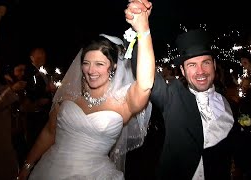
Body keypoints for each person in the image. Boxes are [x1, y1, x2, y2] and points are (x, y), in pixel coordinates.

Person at [17, 4, 154, 180]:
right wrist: (27, 167)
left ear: (112, 66)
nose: (91, 70)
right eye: (86, 63)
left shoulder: (123, 102)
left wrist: (143, 30)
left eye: (99, 64)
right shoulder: (68, 95)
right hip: (49, 170)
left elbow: (144, 85)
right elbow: (49, 132)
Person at [126, 1, 235, 179]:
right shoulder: (172, 96)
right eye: (192, 65)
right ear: (183, 71)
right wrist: (141, 27)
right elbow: (146, 75)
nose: (200, 71)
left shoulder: (226, 103)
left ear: (214, 65)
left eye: (205, 63)